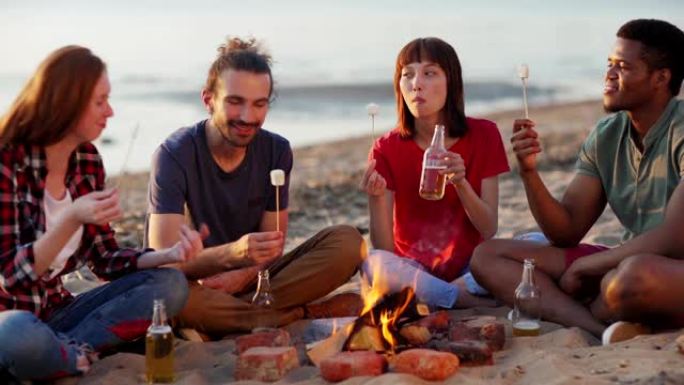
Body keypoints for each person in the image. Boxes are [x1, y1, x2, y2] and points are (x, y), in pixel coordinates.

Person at [0, 46, 204, 382]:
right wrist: (71, 219)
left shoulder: (88, 160)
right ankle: (63, 354)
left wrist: (169, 255)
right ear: (66, 102)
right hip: (11, 321)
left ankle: (67, 353)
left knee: (170, 284)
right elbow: (10, 276)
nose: (110, 111)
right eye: (100, 101)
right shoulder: (8, 161)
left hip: (59, 314)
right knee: (19, 335)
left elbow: (105, 258)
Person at [470, 19, 684, 339]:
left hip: (665, 269)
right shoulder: (607, 134)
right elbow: (566, 230)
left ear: (660, 78)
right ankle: (597, 327)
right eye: (609, 64)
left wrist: (589, 267)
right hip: (622, 262)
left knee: (632, 279)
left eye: (623, 67)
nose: (609, 75)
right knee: (487, 256)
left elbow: (673, 238)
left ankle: (602, 307)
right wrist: (529, 172)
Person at [146, 37, 364, 336]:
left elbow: (272, 245)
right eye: (235, 102)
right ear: (208, 99)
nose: (248, 117)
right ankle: (290, 314)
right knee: (168, 296)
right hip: (198, 284)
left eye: (259, 104)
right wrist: (231, 254)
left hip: (257, 281)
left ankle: (235, 318)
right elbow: (164, 260)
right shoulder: (174, 154)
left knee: (349, 243)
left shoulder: (276, 150)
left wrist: (244, 273)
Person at [358, 37, 510, 309]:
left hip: (470, 267)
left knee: (536, 243)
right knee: (374, 263)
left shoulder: (485, 134)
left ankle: (438, 296)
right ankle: (458, 298)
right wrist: (375, 197)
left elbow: (489, 228)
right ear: (399, 86)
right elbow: (385, 249)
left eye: (429, 73)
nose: (416, 83)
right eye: (408, 75)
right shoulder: (385, 148)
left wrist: (461, 183)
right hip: (415, 269)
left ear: (451, 82)